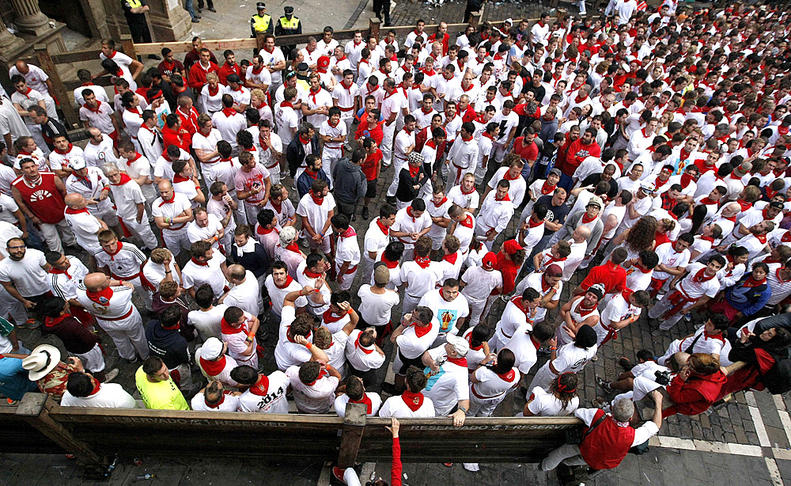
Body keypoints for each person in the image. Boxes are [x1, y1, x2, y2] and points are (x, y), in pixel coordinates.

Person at [540, 393, 663, 473]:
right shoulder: (633, 436)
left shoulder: (598, 415)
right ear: (630, 418)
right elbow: (656, 425)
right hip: (599, 461)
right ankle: (566, 464)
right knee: (575, 461)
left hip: (584, 447)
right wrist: (658, 402)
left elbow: (578, 413)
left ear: (613, 411)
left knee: (560, 453)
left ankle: (545, 466)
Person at [77, 273, 149, 363]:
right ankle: (145, 356)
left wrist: (105, 283)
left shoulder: (80, 292)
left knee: (119, 340)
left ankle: (130, 358)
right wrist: (120, 282)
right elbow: (129, 285)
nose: (108, 277)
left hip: (104, 321)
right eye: (106, 280)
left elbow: (83, 286)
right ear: (99, 288)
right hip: (127, 320)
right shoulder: (121, 292)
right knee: (138, 337)